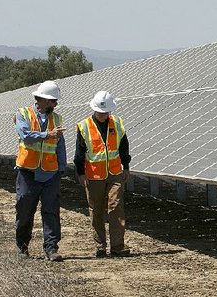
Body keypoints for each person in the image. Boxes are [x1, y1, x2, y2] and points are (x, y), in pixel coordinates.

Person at [74, 90, 132, 258]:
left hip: (115, 172)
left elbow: (123, 146)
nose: (103, 115)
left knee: (116, 207)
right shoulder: (84, 126)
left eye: (105, 112)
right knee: (97, 210)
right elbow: (79, 153)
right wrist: (80, 173)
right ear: (94, 109)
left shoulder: (117, 123)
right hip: (94, 175)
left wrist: (126, 166)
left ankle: (118, 246)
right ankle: (100, 246)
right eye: (100, 112)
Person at [14, 80, 67, 261]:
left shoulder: (57, 119)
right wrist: (47, 135)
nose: (55, 104)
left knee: (51, 211)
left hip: (50, 174)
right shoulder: (23, 114)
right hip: (28, 172)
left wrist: (61, 168)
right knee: (25, 211)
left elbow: (60, 145)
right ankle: (22, 247)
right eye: (53, 100)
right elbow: (26, 137)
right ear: (43, 100)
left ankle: (51, 249)